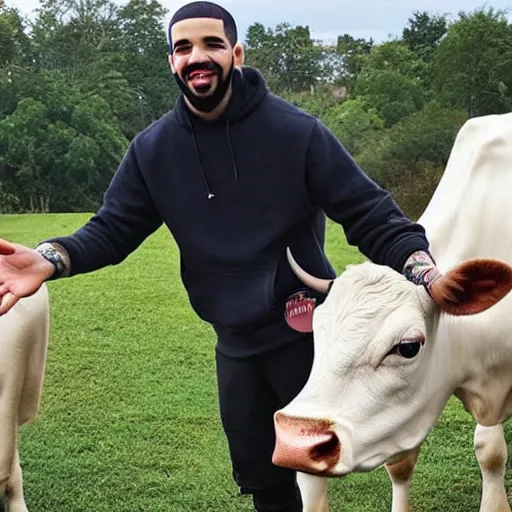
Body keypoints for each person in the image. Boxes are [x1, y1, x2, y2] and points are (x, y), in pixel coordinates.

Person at [0, 2, 440, 510]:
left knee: (315, 474)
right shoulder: (153, 150)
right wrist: (49, 259)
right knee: (264, 481)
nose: (197, 57)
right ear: (171, 61)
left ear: (235, 52)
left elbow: (369, 213)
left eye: (211, 44)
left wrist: (420, 267)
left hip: (306, 335)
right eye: (183, 47)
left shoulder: (297, 134)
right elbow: (114, 229)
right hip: (233, 342)